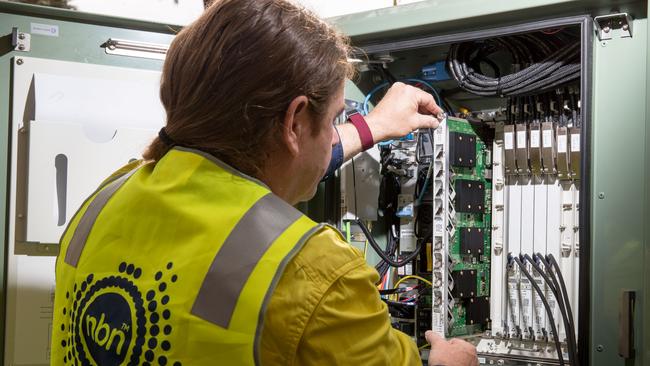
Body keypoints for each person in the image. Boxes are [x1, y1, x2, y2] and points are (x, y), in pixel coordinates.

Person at [51, 0, 478, 365]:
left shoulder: (105, 200)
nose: (333, 135)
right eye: (332, 120)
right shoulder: (315, 272)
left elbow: (250, 179)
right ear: (293, 122)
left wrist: (371, 127)